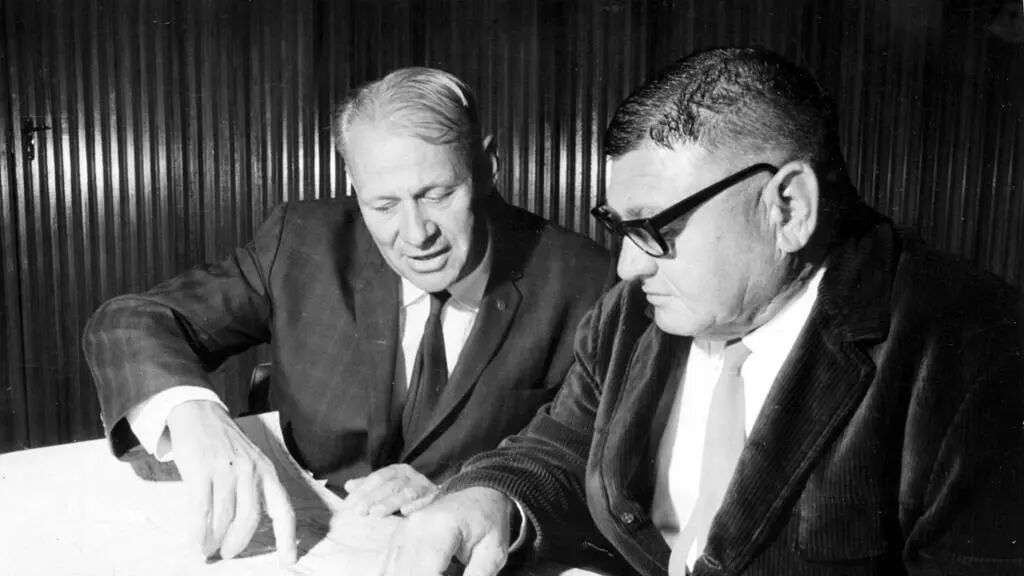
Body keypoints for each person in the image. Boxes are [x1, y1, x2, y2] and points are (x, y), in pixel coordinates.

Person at [379, 48, 1024, 576]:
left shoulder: (976, 359)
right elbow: (561, 448)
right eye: (619, 229)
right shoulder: (629, 318)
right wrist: (488, 499)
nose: (629, 268)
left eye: (655, 230)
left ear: (788, 207)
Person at [82, 67, 611, 565]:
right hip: (315, 540)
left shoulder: (585, 281)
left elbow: (594, 459)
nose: (416, 232)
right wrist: (193, 413)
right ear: (354, 187)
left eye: (437, 194)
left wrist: (471, 488)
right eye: (384, 206)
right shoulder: (302, 244)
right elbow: (133, 319)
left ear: (487, 168)